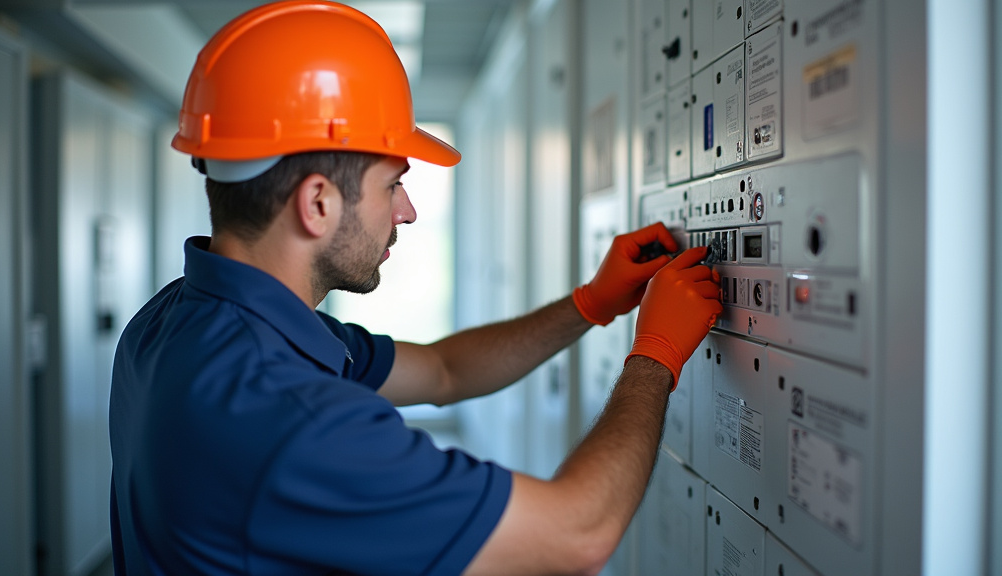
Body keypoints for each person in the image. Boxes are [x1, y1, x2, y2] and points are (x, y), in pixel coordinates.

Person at [109, 2, 723, 575]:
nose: (407, 211)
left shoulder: (178, 320)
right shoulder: (290, 420)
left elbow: (444, 370)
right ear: (317, 203)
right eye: (391, 184)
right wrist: (655, 356)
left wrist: (590, 303)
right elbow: (579, 533)